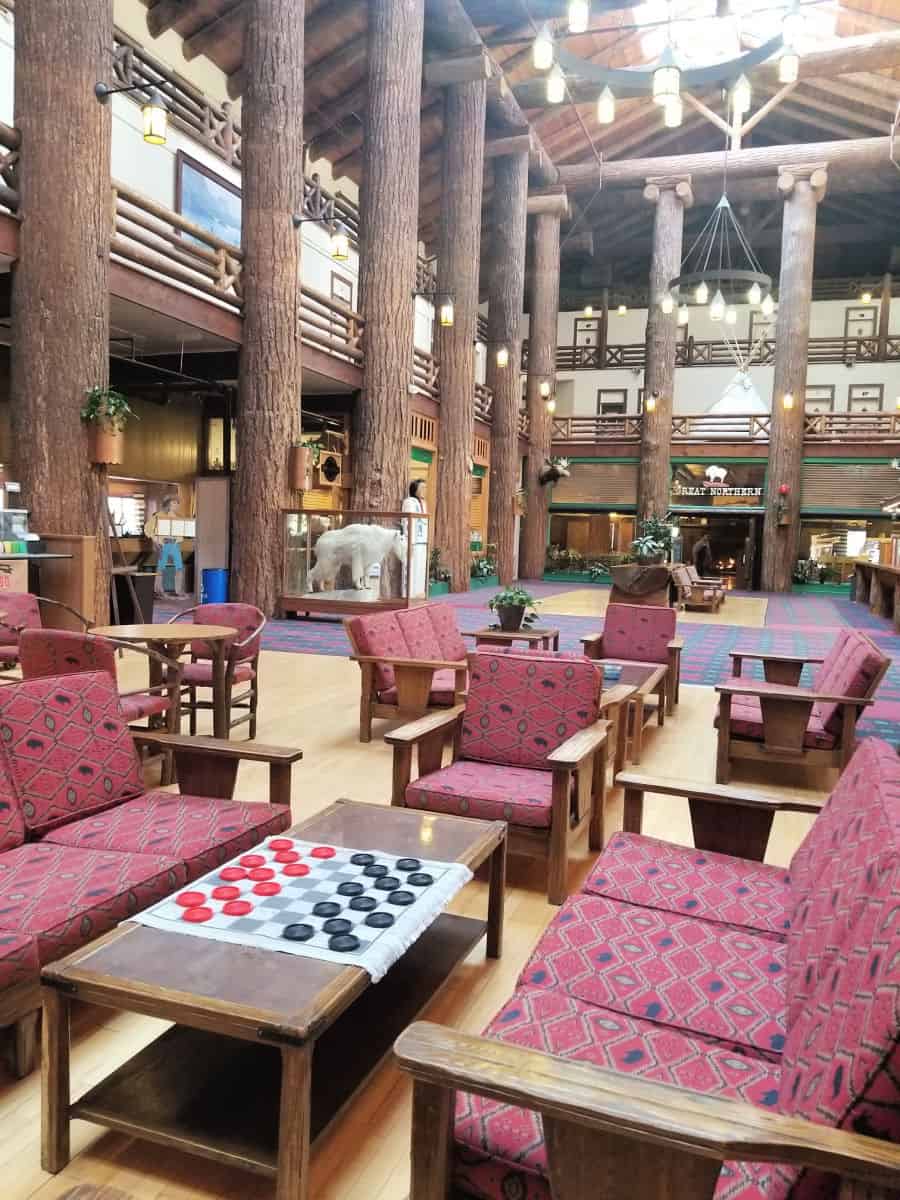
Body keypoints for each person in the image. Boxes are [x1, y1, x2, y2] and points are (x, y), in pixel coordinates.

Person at [145, 493, 187, 598]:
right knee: (161, 568)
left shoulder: (178, 518)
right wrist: (156, 540)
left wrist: (179, 539)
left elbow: (181, 532)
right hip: (163, 545)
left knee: (179, 567)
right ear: (167, 503)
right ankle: (158, 591)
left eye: (177, 503)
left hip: (174, 545)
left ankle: (178, 591)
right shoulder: (158, 516)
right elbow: (147, 529)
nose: (176, 505)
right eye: (174, 503)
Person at [401, 479, 429, 598]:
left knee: (421, 567)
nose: (424, 491)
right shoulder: (409, 502)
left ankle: (419, 592)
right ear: (414, 489)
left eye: (425, 488)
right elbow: (408, 522)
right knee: (411, 567)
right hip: (412, 541)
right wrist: (410, 542)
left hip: (422, 541)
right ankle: (409, 593)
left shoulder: (423, 503)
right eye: (421, 488)